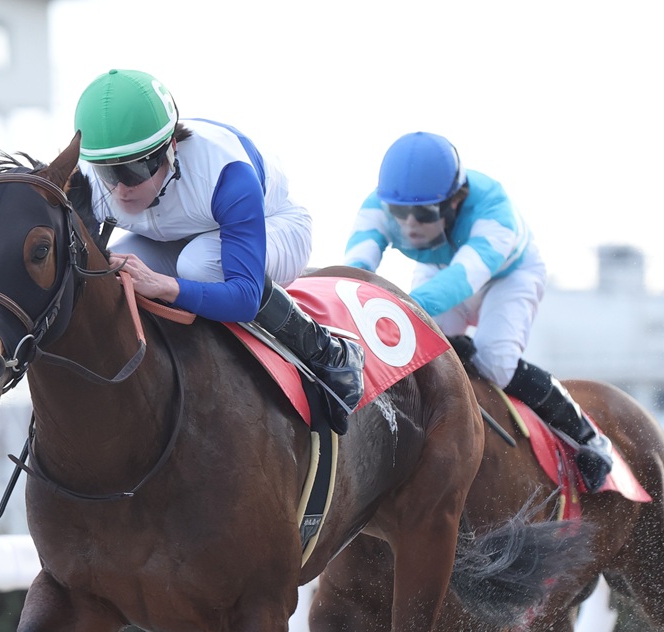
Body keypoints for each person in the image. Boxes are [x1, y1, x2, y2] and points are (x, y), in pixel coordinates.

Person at [73, 68, 364, 433]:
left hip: (276, 227)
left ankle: (326, 352)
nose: (120, 189)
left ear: (170, 149)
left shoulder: (226, 172)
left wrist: (163, 286)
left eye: (133, 170)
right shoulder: (86, 178)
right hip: (177, 240)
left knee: (196, 265)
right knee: (109, 274)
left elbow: (243, 297)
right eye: (108, 173)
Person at [344, 132, 613, 490]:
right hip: (443, 271)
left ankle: (589, 437)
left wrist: (391, 314)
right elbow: (354, 270)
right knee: (418, 354)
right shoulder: (377, 204)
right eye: (399, 213)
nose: (408, 225)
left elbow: (460, 280)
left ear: (458, 199)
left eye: (422, 214)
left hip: (507, 275)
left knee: (494, 360)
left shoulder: (494, 215)